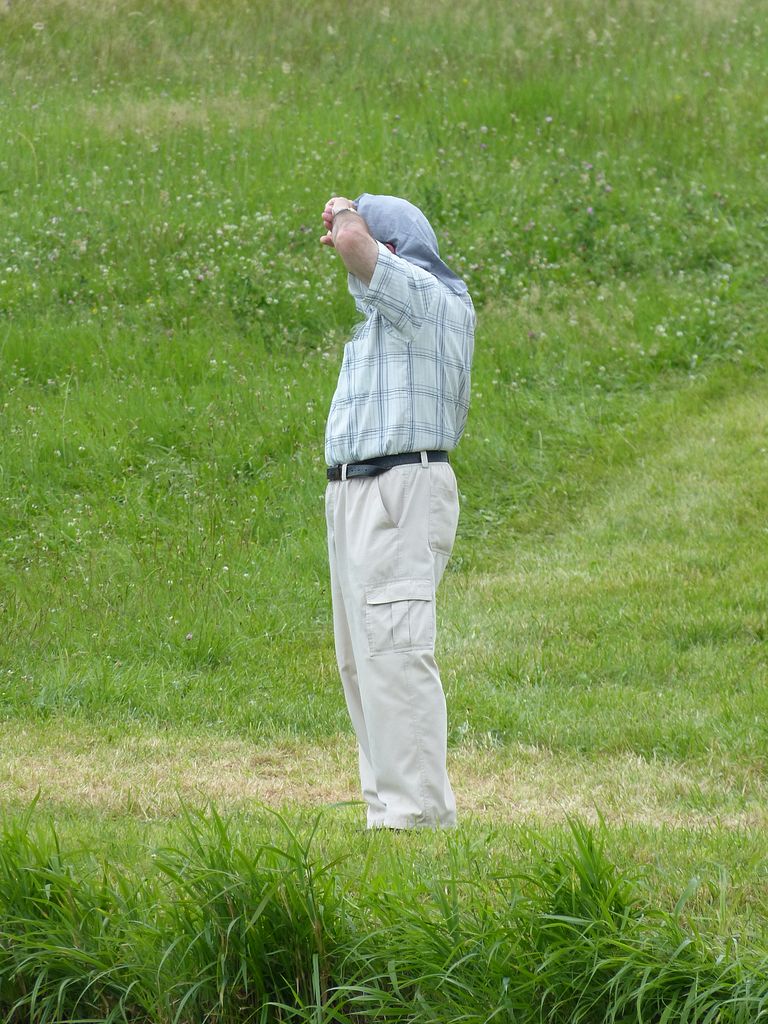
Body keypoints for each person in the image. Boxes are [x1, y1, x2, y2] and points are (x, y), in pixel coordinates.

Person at [320, 193, 475, 829]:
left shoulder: (429, 297)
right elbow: (358, 250)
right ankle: (387, 809)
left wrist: (345, 212)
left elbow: (354, 244)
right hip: (358, 492)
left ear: (393, 249)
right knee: (363, 660)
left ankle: (419, 817)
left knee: (395, 652)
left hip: (397, 489)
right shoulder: (390, 316)